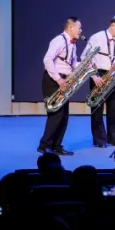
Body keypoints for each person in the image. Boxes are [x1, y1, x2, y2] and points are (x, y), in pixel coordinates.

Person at [38, 17, 83, 155]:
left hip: (65, 81)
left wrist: (85, 65)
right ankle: (44, 145)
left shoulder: (73, 44)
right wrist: (58, 79)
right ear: (71, 28)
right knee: (55, 114)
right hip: (53, 81)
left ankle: (56, 145)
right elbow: (47, 59)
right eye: (79, 28)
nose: (81, 31)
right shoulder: (59, 40)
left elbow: (72, 64)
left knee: (64, 116)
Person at [83, 15, 115, 148]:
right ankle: (99, 140)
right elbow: (84, 57)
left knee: (114, 109)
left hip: (113, 75)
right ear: (113, 25)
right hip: (98, 75)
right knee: (97, 109)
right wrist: (94, 76)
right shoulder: (97, 37)